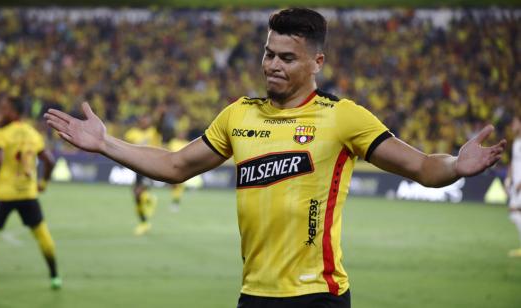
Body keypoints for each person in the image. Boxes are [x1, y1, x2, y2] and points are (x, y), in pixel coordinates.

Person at [45, 8, 506, 308]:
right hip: (254, 296)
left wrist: (455, 167)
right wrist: (107, 144)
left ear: (317, 62)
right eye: (268, 54)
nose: (272, 65)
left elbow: (422, 167)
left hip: (318, 296)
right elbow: (174, 166)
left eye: (287, 57)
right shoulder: (238, 114)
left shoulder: (343, 117)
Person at [0, 97, 61, 293]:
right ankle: (55, 276)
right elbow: (50, 161)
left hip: (3, 194)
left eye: (3, 109)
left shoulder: (1, 134)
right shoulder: (33, 134)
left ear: (13, 112)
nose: (0, 113)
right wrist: (44, 182)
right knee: (41, 233)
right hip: (29, 194)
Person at [124, 114, 162, 235]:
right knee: (136, 195)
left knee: (139, 192)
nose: (145, 122)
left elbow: (161, 126)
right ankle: (144, 220)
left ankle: (144, 221)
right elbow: (126, 145)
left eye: (147, 120)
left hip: (151, 164)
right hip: (137, 167)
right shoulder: (132, 133)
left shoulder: (154, 132)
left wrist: (161, 115)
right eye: (143, 120)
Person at [505, 114, 521, 257]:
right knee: (514, 213)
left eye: (515, 123)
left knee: (515, 211)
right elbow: (513, 163)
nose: (512, 126)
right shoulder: (516, 141)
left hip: (520, 185)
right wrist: (508, 179)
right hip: (516, 184)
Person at [166, 130, 189, 212]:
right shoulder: (173, 142)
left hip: (183, 168)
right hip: (173, 166)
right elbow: (168, 152)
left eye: (183, 133)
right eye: (180, 133)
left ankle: (175, 202)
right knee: (174, 186)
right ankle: (175, 202)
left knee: (178, 186)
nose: (181, 135)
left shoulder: (188, 143)